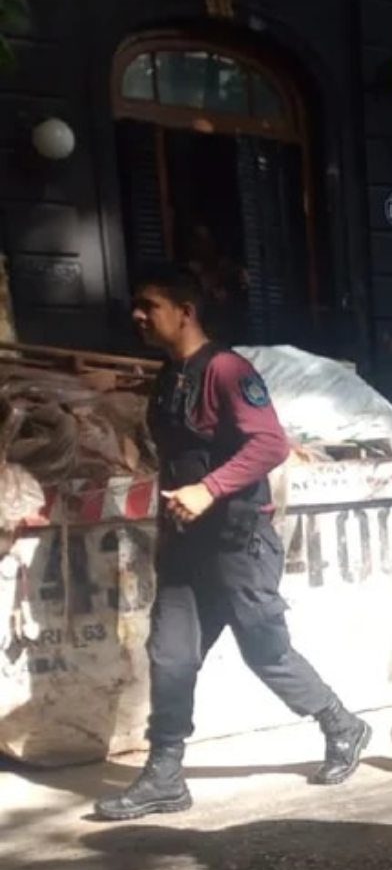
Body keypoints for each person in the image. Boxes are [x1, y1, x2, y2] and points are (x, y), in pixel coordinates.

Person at [94, 267, 371, 822]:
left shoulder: (227, 371)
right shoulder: (170, 379)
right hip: (186, 549)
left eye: (150, 304)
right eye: (136, 306)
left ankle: (341, 724)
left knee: (266, 653)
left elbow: (270, 443)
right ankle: (165, 776)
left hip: (239, 544)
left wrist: (209, 488)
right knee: (170, 656)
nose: (138, 316)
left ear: (185, 311)